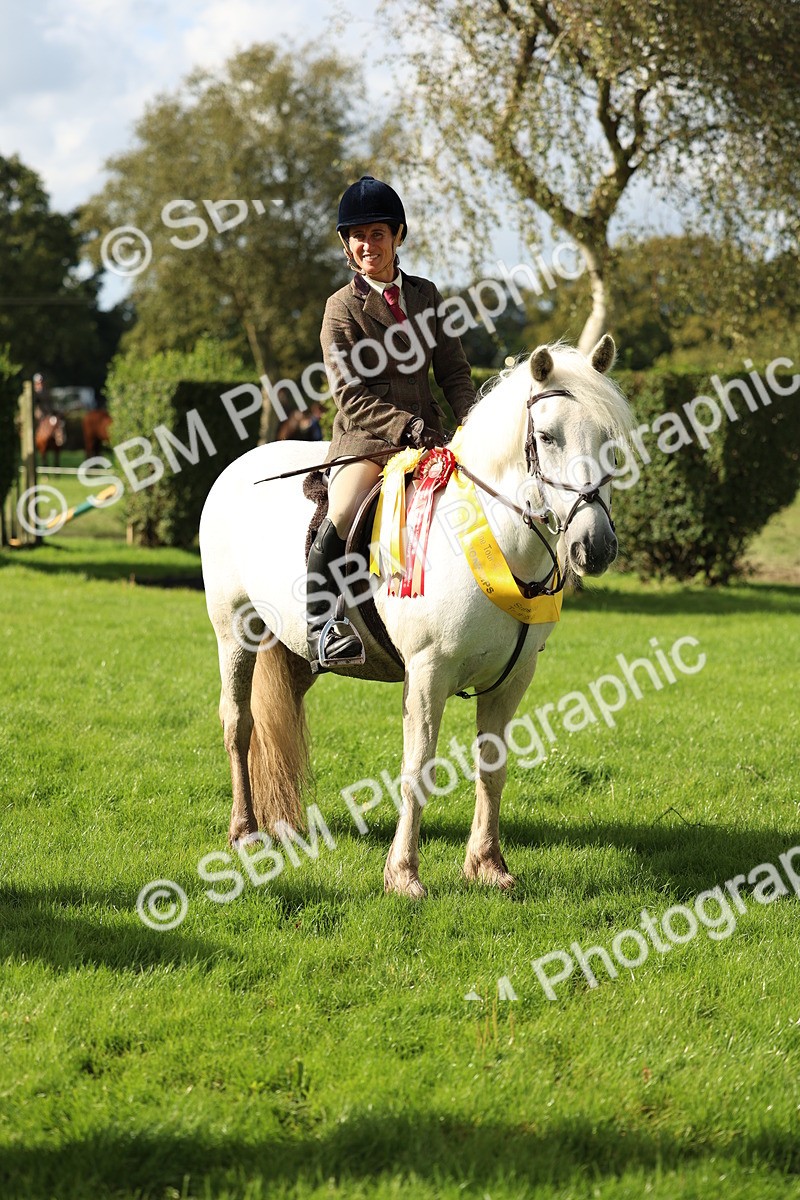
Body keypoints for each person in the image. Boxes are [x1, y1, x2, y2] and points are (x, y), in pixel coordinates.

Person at [307, 175, 476, 670]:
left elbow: (454, 372)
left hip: (432, 439)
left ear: (398, 235)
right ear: (346, 244)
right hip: (367, 443)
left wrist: (469, 424)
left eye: (377, 233)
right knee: (341, 513)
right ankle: (323, 626)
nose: (367, 245)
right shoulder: (340, 309)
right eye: (356, 236)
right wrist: (408, 429)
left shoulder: (426, 296)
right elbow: (350, 396)